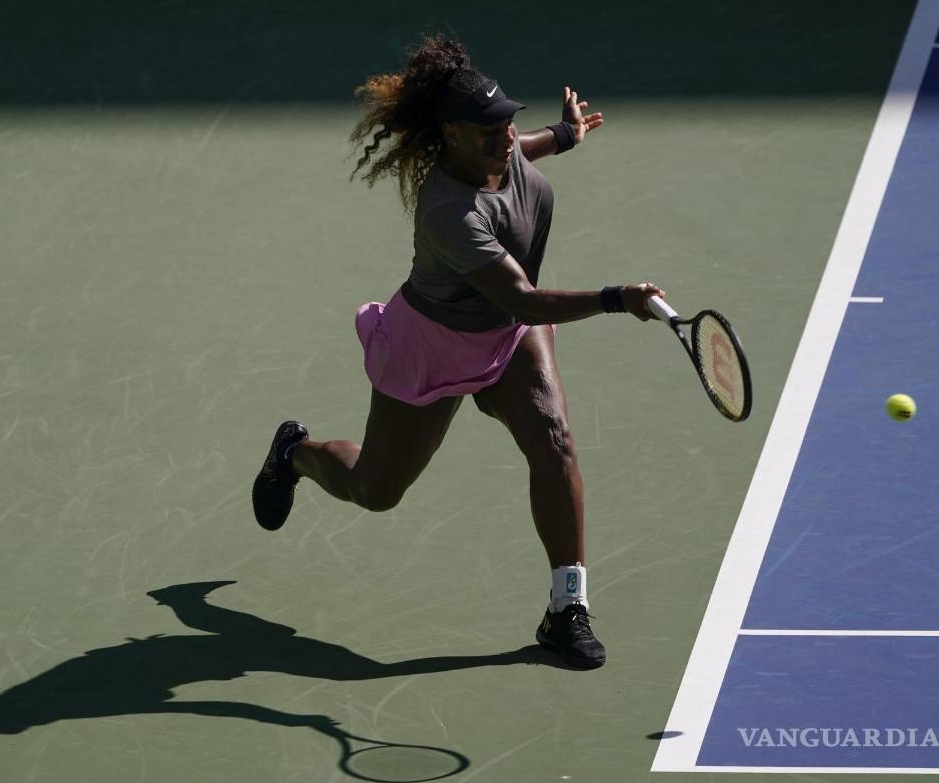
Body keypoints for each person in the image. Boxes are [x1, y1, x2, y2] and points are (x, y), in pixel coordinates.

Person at [252, 35, 664, 669]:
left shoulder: (502, 149)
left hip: (509, 336)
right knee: (375, 491)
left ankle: (567, 609)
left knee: (554, 441)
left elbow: (528, 152)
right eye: (488, 130)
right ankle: (294, 453)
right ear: (450, 134)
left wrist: (566, 133)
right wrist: (615, 298)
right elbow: (524, 300)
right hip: (435, 344)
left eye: (508, 122)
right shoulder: (448, 210)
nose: (505, 137)